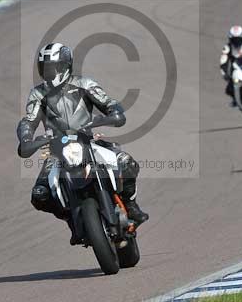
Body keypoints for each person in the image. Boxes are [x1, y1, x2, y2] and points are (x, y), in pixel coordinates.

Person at [17, 42, 149, 243]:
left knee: (126, 162)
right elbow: (29, 119)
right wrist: (26, 137)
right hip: (56, 149)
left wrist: (113, 114)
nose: (50, 72)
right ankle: (71, 218)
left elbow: (108, 102)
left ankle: (131, 205)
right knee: (40, 194)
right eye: (45, 68)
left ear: (65, 65)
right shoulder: (38, 94)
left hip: (88, 140)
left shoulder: (84, 84)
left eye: (54, 67)